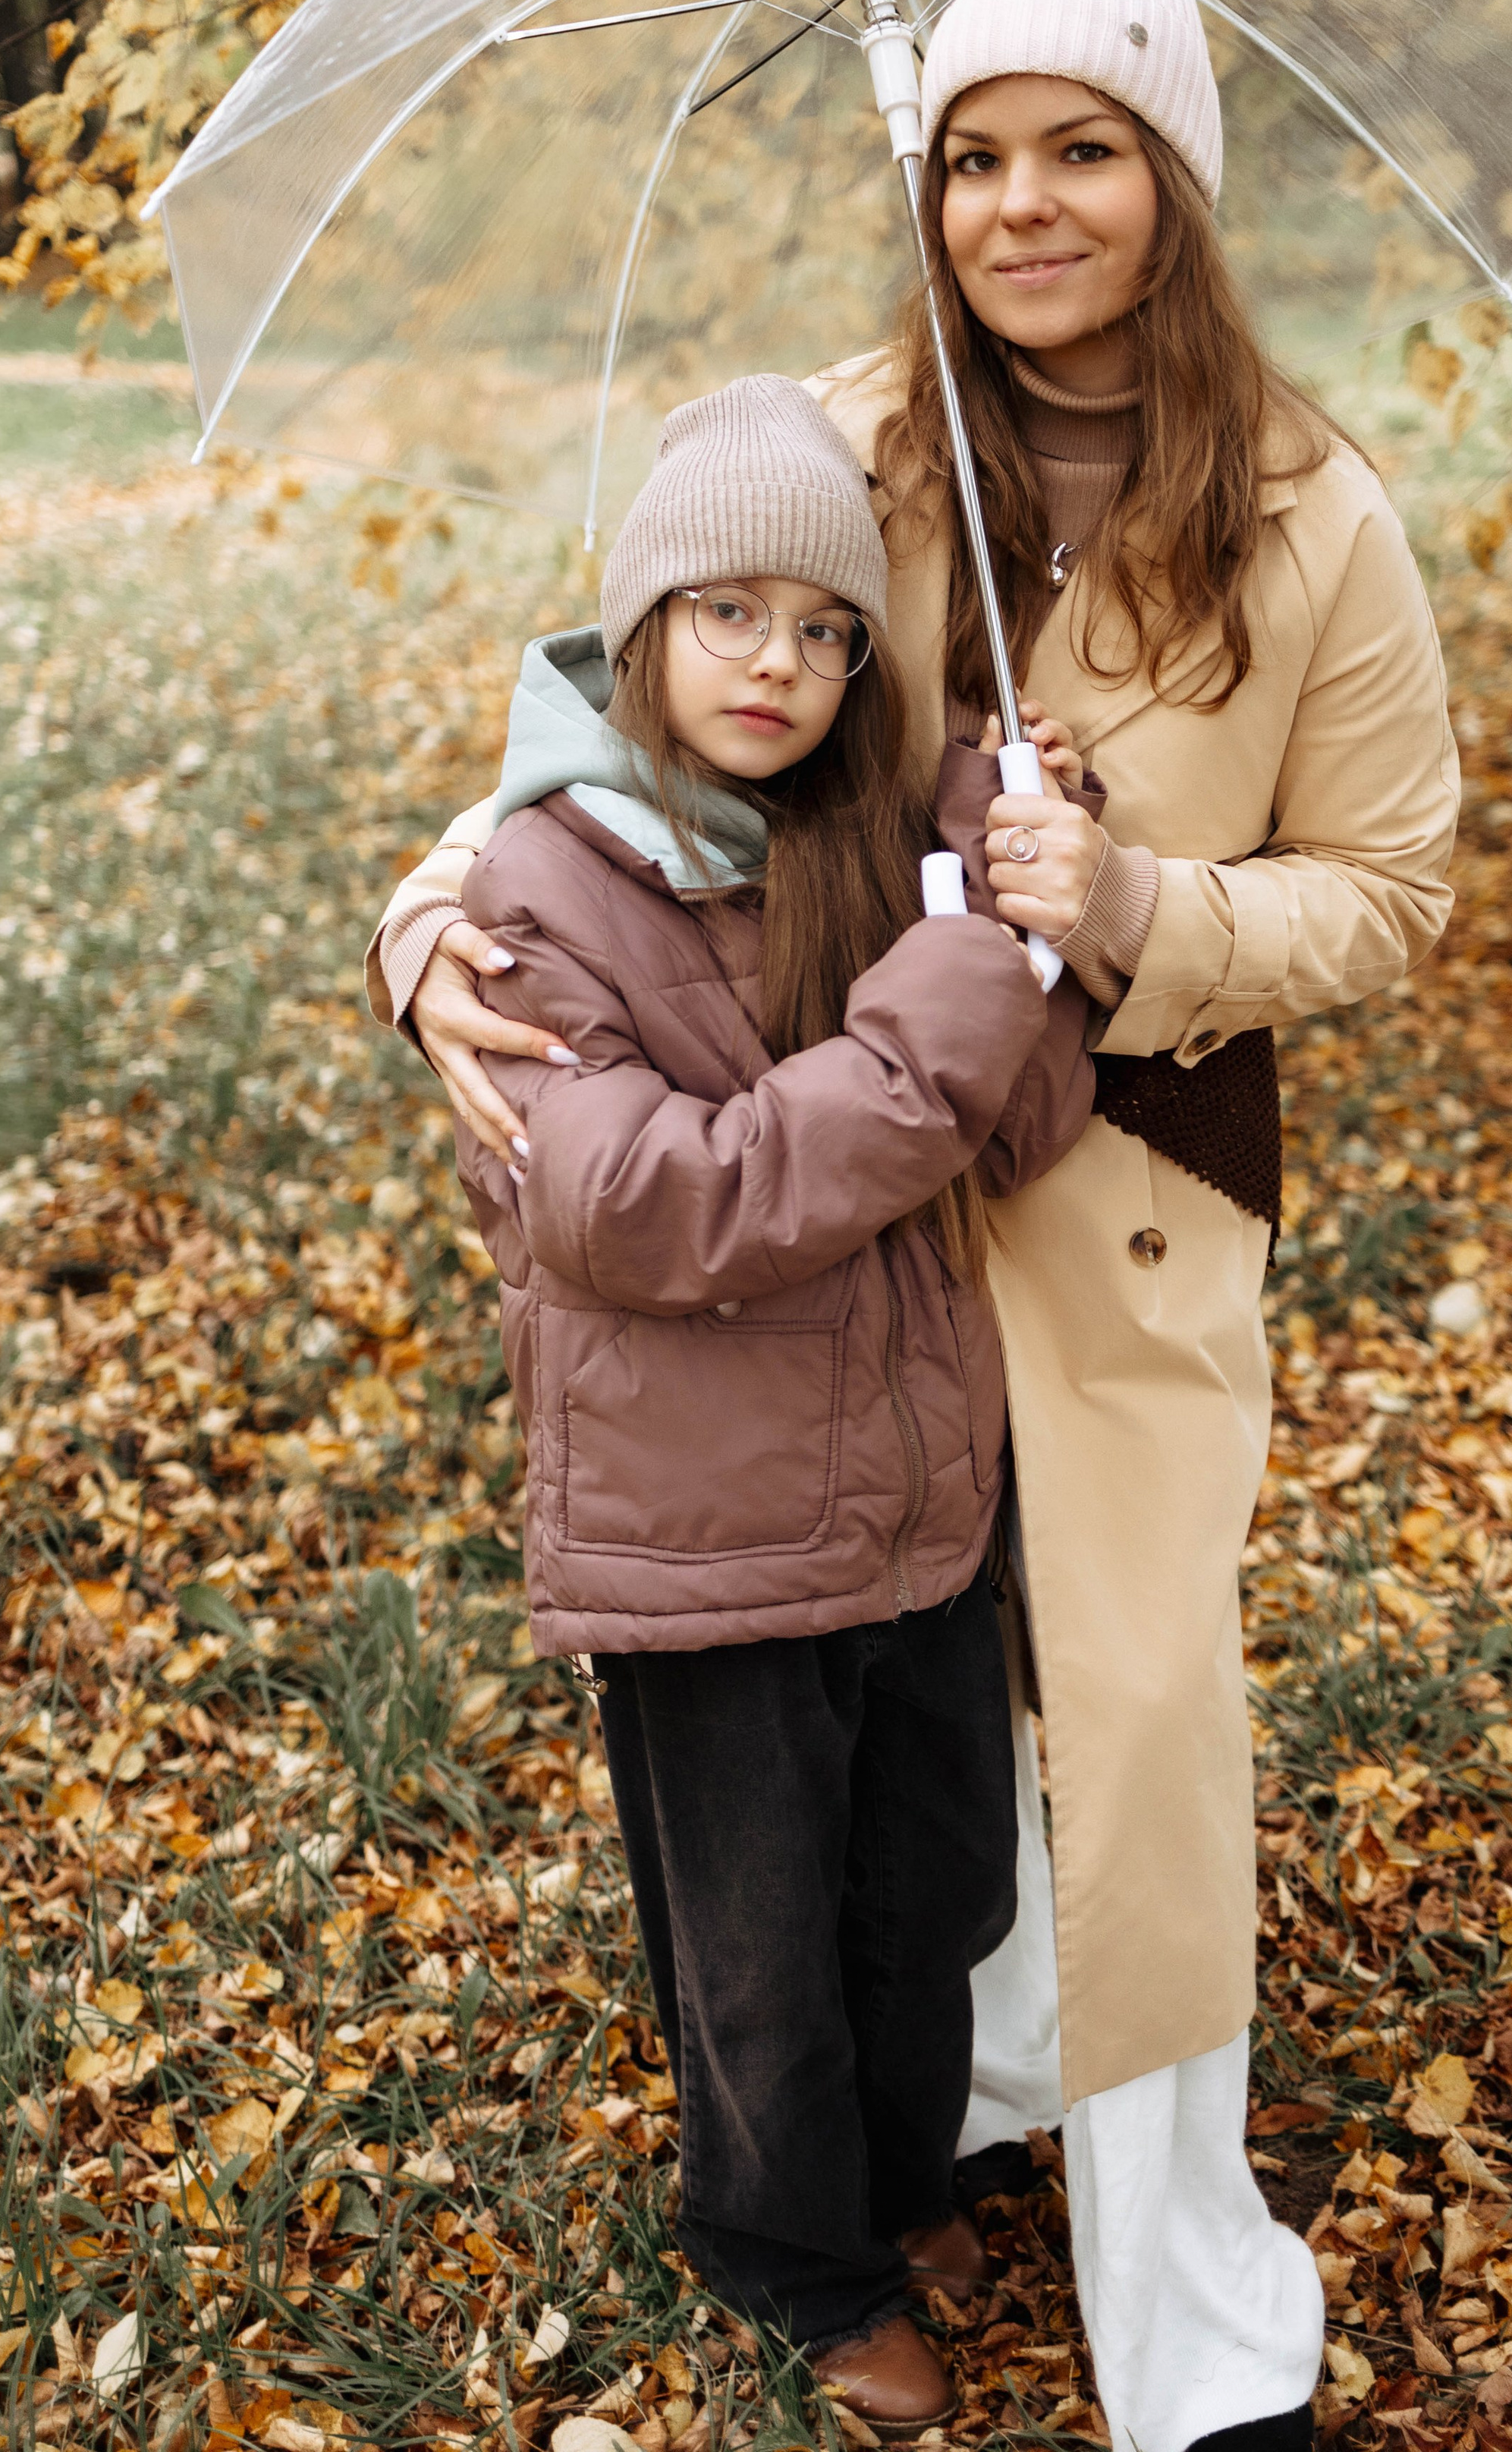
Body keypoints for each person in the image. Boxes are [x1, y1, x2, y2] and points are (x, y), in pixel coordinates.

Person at [371, 0, 1461, 2452]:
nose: (1024, 204)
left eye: (1085, 148)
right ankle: (935, 2115)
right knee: (893, 1734)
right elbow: (613, 727)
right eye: (975, 156)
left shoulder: (1316, 519)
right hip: (822, 1199)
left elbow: (1390, 897)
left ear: (1175, 183)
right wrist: (419, 925)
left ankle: (1187, 2297)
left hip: (1123, 1185)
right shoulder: (846, 445)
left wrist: (1147, 914)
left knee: (1149, 1729)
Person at [450, 371, 1097, 2436]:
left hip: (912, 1494)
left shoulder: (866, 834)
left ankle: (902, 2179)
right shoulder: (535, 889)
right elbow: (654, 1207)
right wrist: (936, 1025)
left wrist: (1020, 884)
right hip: (699, 1528)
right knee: (762, 1945)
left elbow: (1029, 1125)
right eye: (734, 614)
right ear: (643, 620)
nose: (785, 667)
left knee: (935, 1892)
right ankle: (791, 2250)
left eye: (827, 632)